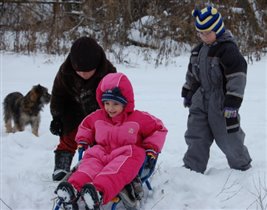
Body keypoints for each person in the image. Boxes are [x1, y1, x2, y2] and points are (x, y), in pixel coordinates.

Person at [54, 72, 168, 210]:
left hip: (125, 154)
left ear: (126, 102)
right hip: (101, 152)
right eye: (106, 103)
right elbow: (86, 126)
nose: (110, 108)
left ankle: (98, 192)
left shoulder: (138, 118)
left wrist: (151, 146)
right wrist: (84, 139)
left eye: (115, 103)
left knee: (123, 163)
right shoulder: (98, 116)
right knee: (88, 165)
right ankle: (72, 188)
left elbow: (159, 129)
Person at [181, 6, 252, 174]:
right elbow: (192, 74)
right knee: (196, 134)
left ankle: (242, 167)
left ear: (218, 29)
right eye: (201, 33)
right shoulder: (197, 51)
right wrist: (188, 92)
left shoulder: (228, 50)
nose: (204, 37)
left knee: (228, 136)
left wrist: (233, 102)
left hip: (221, 103)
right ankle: (192, 169)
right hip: (200, 100)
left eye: (208, 33)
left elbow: (237, 76)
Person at [50, 37, 117, 181]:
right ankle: (62, 164)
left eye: (88, 71)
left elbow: (117, 98)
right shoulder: (65, 71)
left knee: (99, 140)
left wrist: (113, 117)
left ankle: (97, 164)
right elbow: (58, 94)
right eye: (79, 71)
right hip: (72, 107)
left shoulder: (109, 72)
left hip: (99, 110)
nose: (84, 74)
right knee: (69, 135)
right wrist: (56, 117)